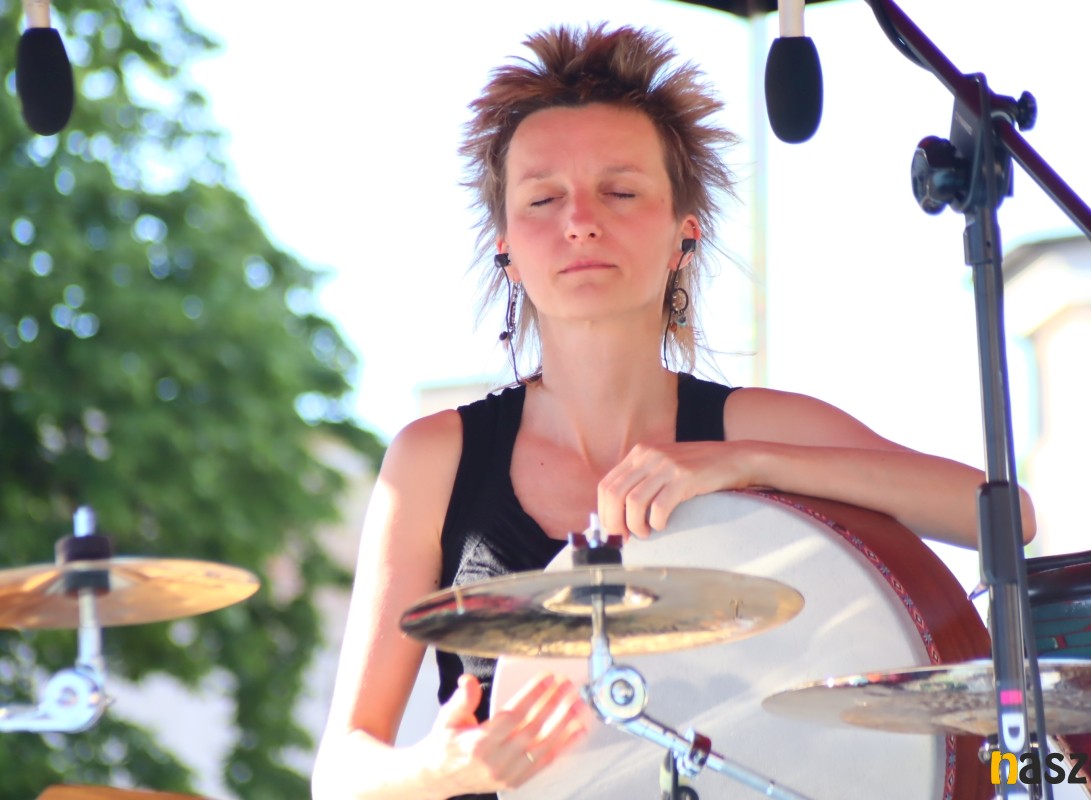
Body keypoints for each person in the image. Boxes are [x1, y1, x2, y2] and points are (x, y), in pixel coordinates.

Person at [311, 23, 1036, 800]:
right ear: (507, 247)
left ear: (683, 235)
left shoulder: (754, 429)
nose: (580, 220)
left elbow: (1003, 515)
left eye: (620, 192)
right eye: (543, 198)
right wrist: (446, 767)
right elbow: (340, 774)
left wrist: (744, 462)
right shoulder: (434, 459)